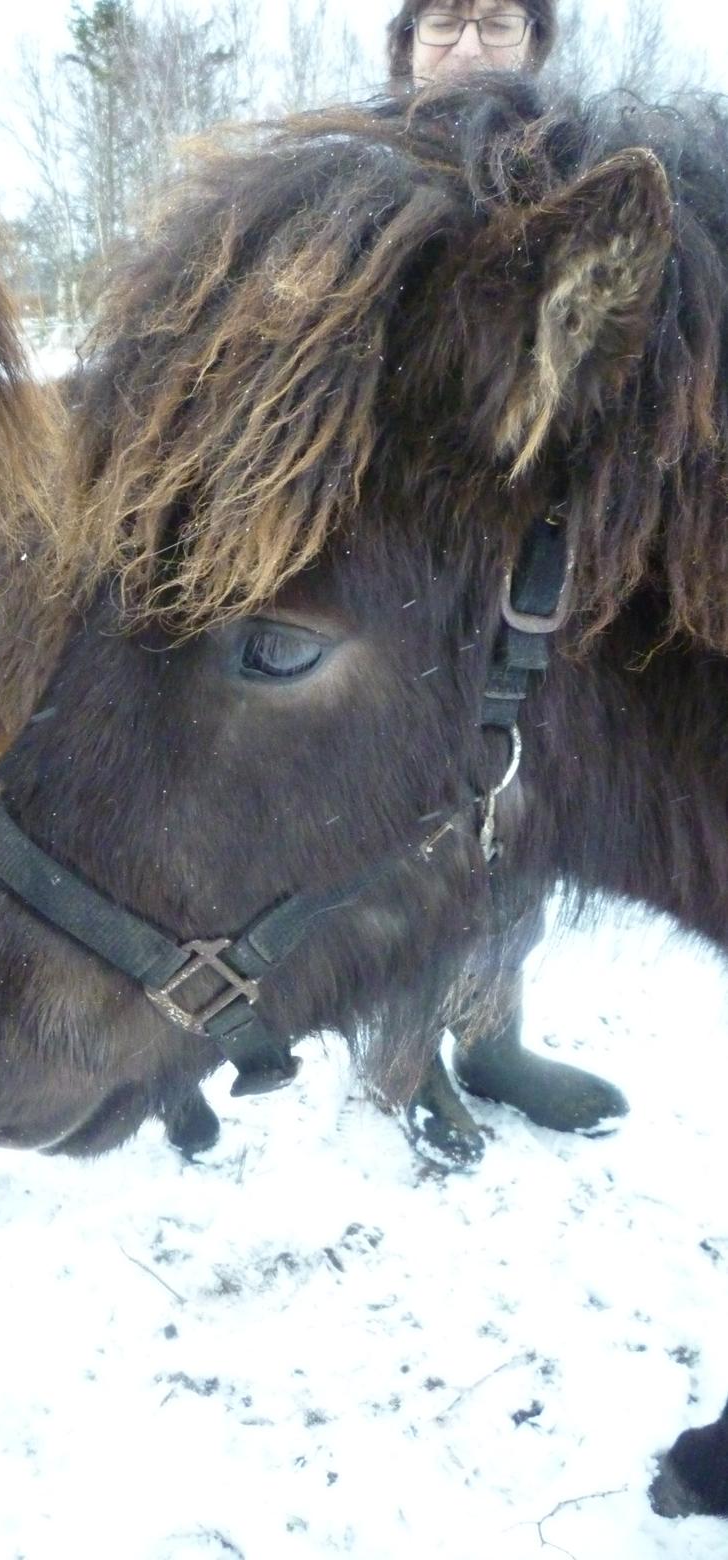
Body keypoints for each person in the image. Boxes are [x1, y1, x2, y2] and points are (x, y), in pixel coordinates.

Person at [379, 0, 630, 1167]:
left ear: (536, 47)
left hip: (541, 570)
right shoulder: (347, 175)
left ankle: (490, 1036)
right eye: (442, 22)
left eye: (497, 20)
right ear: (404, 47)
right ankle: (401, 1048)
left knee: (522, 812)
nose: (470, 45)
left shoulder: (588, 181)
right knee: (404, 822)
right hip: (391, 570)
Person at [386, 0, 558, 88]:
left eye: (498, 25)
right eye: (442, 24)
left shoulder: (569, 152)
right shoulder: (367, 152)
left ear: (532, 48)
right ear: (409, 45)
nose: (468, 50)